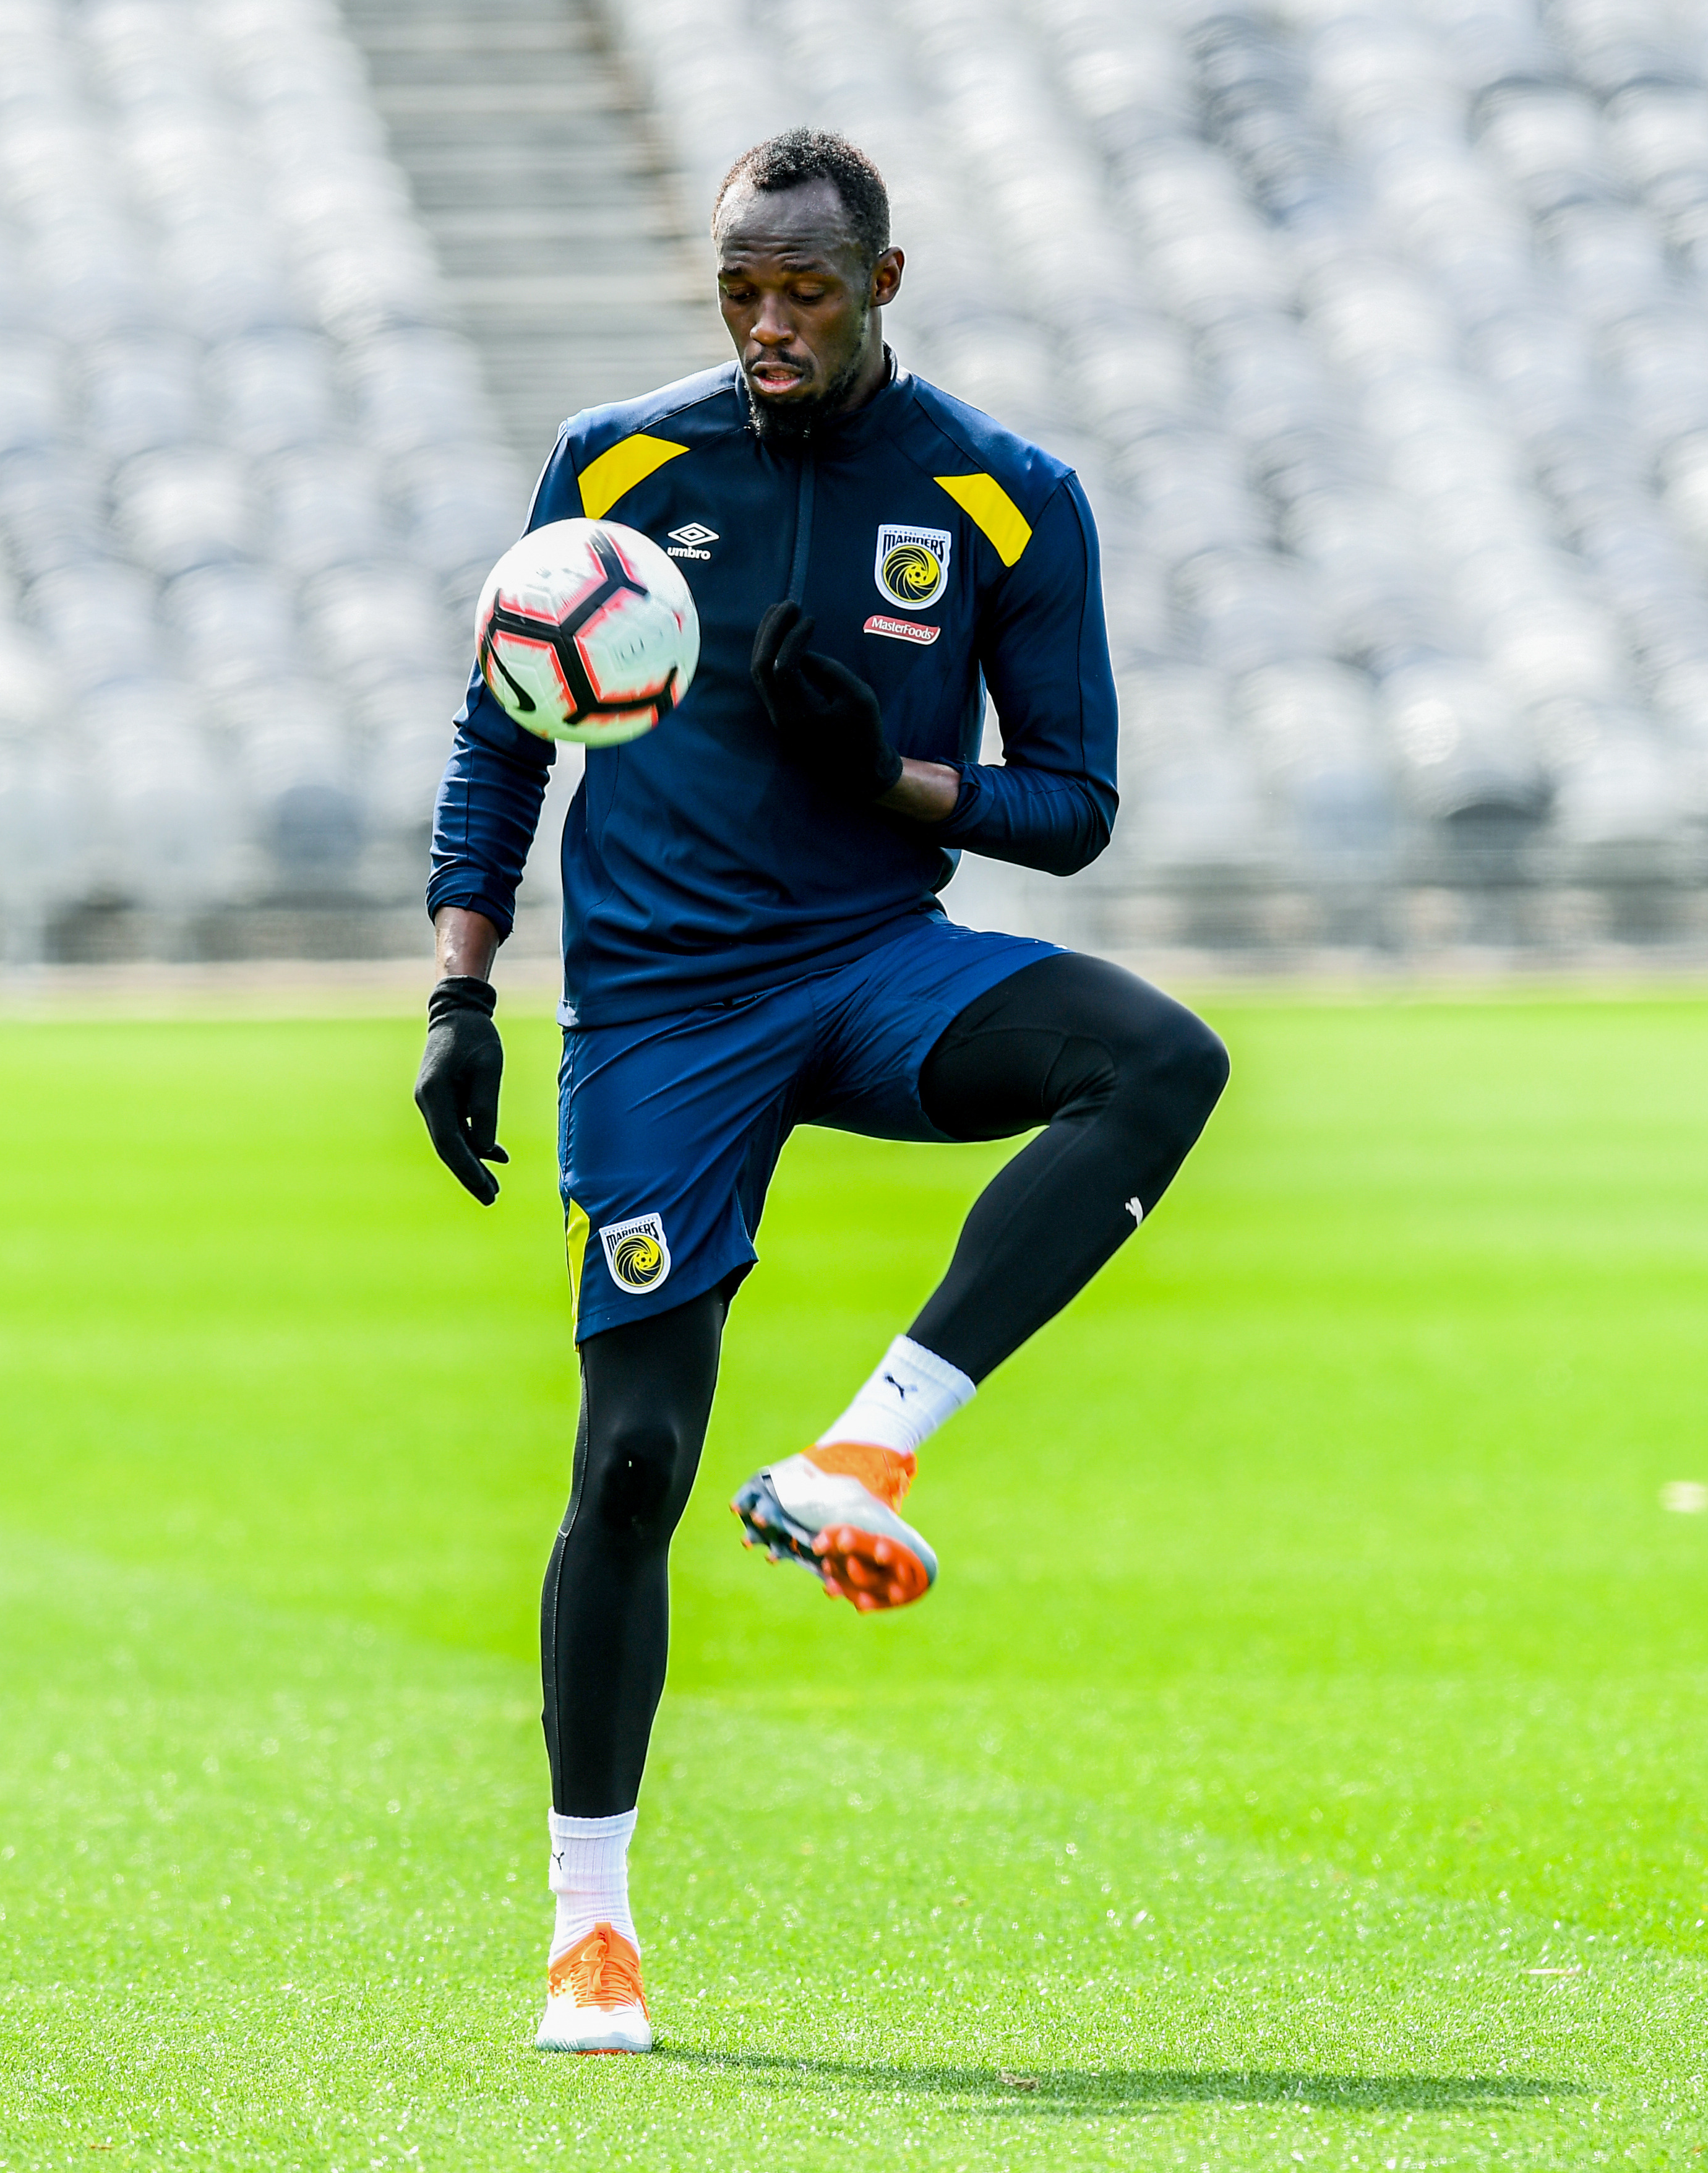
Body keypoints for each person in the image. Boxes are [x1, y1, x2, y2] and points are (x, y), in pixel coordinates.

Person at [414, 128, 1229, 2057]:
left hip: (869, 970)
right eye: (738, 293)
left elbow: (1077, 807)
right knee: (626, 1470)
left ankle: (860, 1452)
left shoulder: (1004, 497)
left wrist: (895, 781)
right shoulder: (615, 461)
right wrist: (460, 991)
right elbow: (499, 727)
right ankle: (589, 1931)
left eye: (803, 290)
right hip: (659, 1013)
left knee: (1157, 1059)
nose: (767, 327)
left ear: (881, 277)